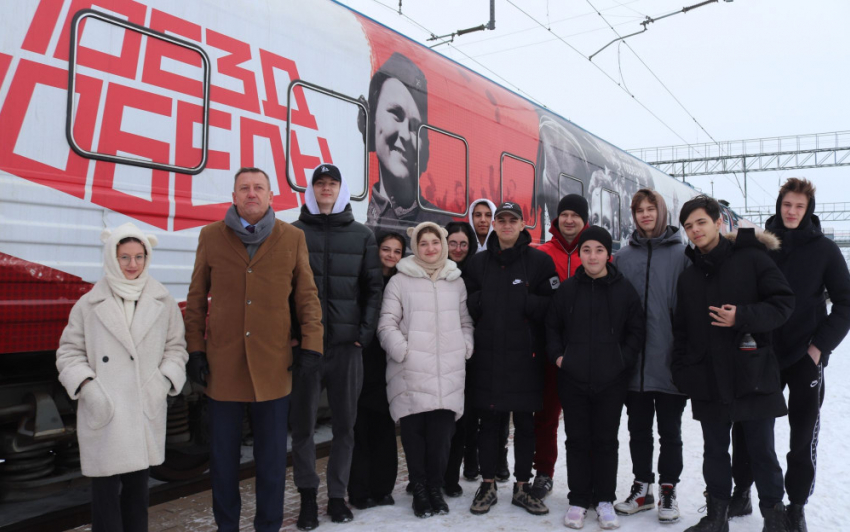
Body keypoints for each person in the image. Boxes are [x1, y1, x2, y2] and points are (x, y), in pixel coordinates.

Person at [184, 168, 324, 532]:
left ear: (271, 195)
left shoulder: (292, 238)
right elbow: (197, 298)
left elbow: (307, 297)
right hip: (223, 368)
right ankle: (226, 526)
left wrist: (311, 344)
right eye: (244, 188)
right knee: (224, 461)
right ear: (233, 196)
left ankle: (268, 526)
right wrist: (195, 350)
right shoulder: (211, 236)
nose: (251, 194)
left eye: (258, 188)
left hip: (274, 366)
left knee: (272, 462)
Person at [729, 178, 850, 531]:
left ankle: (796, 505)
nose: (792, 211)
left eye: (799, 206)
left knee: (802, 433)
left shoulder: (825, 250)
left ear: (808, 209)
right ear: (779, 206)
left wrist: (818, 348)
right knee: (748, 427)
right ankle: (743, 491)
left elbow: (845, 303)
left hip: (803, 356)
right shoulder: (762, 246)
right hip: (761, 353)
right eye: (787, 205)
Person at [671, 195, 795, 532]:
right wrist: (682, 371)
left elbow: (783, 304)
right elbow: (680, 330)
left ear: (718, 223)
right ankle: (717, 517)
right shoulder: (689, 277)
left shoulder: (752, 259)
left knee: (762, 452)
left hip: (752, 374)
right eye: (688, 226)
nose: (695, 230)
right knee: (715, 453)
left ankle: (774, 518)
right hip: (706, 378)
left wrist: (742, 316)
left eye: (700, 222)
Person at [56, 223, 188, 532]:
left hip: (143, 407)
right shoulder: (89, 304)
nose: (132, 265)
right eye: (124, 257)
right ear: (112, 258)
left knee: (137, 494)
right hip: (106, 410)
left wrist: (162, 382)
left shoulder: (162, 301)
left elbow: (176, 348)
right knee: (104, 497)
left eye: (139, 257)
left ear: (147, 257)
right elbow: (68, 353)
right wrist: (89, 388)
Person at [291, 164, 383, 530]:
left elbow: (373, 289)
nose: (325, 189)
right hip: (306, 349)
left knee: (346, 426)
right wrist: (292, 333)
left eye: (332, 184)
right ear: (311, 190)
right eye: (319, 183)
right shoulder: (292, 233)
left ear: (342, 190)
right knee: (302, 428)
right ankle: (308, 499)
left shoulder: (362, 235)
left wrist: (364, 332)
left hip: (347, 348)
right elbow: (283, 289)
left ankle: (336, 497)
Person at [546, 226, 645, 530]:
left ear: (608, 254)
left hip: (610, 381)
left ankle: (604, 499)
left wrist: (621, 360)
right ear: (579, 254)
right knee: (577, 440)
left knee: (605, 441)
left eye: (598, 250)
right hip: (573, 379)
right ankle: (578, 500)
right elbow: (552, 328)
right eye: (586, 250)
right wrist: (561, 357)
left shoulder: (623, 289)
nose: (592, 256)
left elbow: (636, 331)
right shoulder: (567, 290)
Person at [464, 201, 559, 516]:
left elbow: (553, 306)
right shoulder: (478, 264)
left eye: (512, 220)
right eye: (500, 220)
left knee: (526, 425)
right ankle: (487, 484)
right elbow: (468, 303)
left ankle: (522, 486)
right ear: (494, 224)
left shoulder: (540, 262)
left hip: (527, 359)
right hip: (488, 357)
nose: (506, 225)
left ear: (522, 225)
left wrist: (524, 303)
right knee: (489, 423)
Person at [378, 222, 475, 518]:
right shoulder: (400, 280)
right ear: (416, 247)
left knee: (442, 437)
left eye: (435, 242)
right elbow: (386, 324)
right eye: (424, 243)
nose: (430, 248)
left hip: (448, 372)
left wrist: (465, 346)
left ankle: (435, 488)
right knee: (414, 438)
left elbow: (465, 322)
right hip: (410, 372)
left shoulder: (455, 281)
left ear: (442, 244)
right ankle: (419, 490)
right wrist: (404, 352)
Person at [612, 189, 689, 524]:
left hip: (671, 362)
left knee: (670, 432)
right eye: (639, 210)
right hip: (633, 363)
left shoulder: (683, 255)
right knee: (638, 429)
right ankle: (643, 487)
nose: (645, 215)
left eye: (650, 209)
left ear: (662, 212)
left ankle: (669, 490)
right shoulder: (623, 257)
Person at [532, 193, 590, 501]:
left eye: (575, 216)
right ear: (557, 218)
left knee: (584, 420)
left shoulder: (596, 253)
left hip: (586, 354)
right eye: (564, 214)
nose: (569, 220)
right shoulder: (542, 254)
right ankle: (544, 473)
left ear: (584, 220)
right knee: (547, 417)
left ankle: (587, 476)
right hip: (550, 351)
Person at [348, 232, 406, 510]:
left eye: (397, 251)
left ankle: (382, 488)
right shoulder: (363, 280)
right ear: (376, 250)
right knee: (360, 429)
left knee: (384, 429)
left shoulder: (400, 284)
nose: (391, 255)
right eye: (386, 249)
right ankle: (359, 491)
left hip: (388, 364)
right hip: (361, 361)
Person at [362, 52, 452, 233]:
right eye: (396, 114)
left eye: (415, 127)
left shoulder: (440, 221)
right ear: (372, 120)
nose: (405, 134)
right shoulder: (352, 214)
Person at [441, 220, 478, 496]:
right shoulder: (436, 270)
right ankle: (432, 473)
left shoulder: (477, 271)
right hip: (438, 355)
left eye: (463, 243)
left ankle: (451, 477)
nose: (457, 248)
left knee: (461, 420)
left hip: (468, 355)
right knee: (436, 419)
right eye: (452, 242)